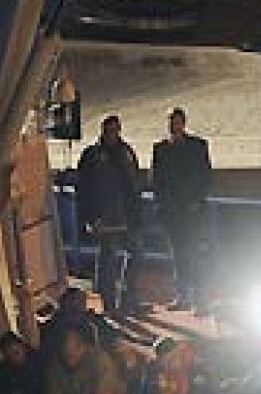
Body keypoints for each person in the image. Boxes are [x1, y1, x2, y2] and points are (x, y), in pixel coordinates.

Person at [75, 114, 142, 311]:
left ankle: (129, 297)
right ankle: (109, 302)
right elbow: (84, 189)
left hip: (126, 215)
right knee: (108, 261)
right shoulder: (92, 156)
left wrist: (136, 214)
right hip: (104, 218)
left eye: (116, 130)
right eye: (109, 130)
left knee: (137, 254)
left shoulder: (126, 152)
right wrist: (89, 218)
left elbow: (134, 183)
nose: (113, 134)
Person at [150, 107, 214, 312]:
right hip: (171, 213)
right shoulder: (160, 148)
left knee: (194, 255)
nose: (173, 125)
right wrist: (161, 205)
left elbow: (204, 175)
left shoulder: (197, 146)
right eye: (171, 122)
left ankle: (200, 299)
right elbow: (157, 180)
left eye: (176, 121)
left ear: (183, 123)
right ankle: (183, 296)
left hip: (192, 212)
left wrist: (197, 200)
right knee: (178, 256)